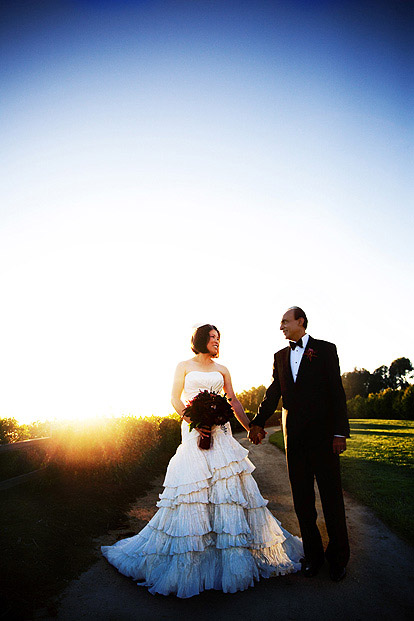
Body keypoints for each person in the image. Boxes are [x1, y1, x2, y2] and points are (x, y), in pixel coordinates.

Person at [102, 324, 303, 597]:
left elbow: (232, 400)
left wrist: (250, 427)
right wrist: (193, 420)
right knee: (195, 490)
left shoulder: (223, 370)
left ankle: (228, 559)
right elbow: (174, 397)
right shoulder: (183, 365)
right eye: (212, 337)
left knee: (227, 491)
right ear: (200, 339)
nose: (217, 342)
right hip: (194, 431)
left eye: (219, 338)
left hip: (220, 434)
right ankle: (193, 560)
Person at [248, 307, 350, 582]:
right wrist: (256, 422)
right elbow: (272, 393)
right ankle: (313, 557)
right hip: (295, 440)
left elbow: (336, 393)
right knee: (303, 503)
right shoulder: (280, 357)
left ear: (300, 322)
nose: (281, 326)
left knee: (331, 500)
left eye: (285, 321)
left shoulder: (326, 350)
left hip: (325, 439)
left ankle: (338, 559)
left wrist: (340, 432)